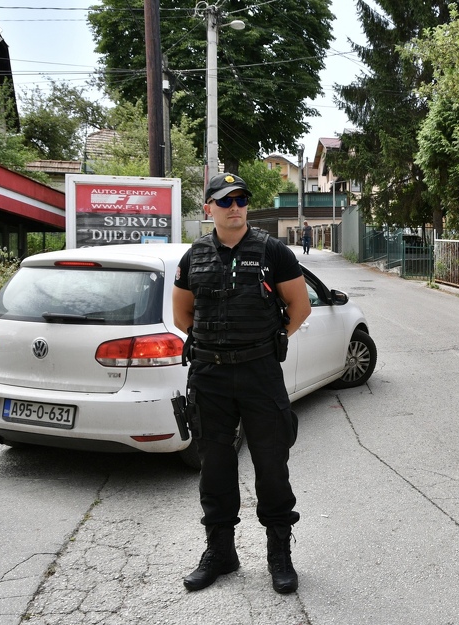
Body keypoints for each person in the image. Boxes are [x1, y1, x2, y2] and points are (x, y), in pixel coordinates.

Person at [172, 172, 311, 593]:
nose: (234, 207)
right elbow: (182, 315)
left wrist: (269, 341)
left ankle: (279, 553)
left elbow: (299, 307)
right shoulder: (193, 257)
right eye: (225, 200)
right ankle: (221, 552)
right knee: (214, 466)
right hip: (210, 376)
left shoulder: (273, 252)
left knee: (271, 465)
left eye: (241, 199)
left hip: (259, 373)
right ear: (208, 208)